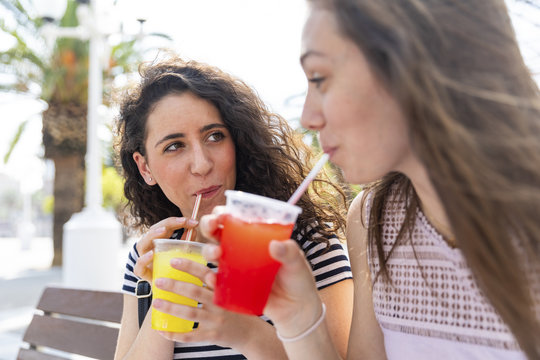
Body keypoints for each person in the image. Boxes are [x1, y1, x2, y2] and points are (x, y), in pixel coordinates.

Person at [200, 1, 540, 359]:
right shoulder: (373, 217)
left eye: (320, 78)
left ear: (413, 63)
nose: (308, 116)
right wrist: (299, 320)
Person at [112, 55, 354, 360]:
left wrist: (246, 333)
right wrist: (164, 292)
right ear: (144, 167)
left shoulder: (301, 243)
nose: (202, 164)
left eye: (215, 136)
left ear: (237, 143)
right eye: (174, 146)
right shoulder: (149, 256)